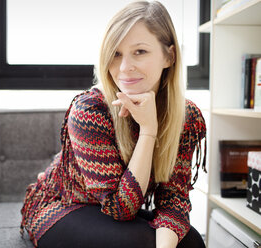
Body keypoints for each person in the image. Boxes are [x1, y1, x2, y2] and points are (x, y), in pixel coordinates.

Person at [20, 1, 207, 248]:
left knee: (190, 242)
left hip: (109, 215)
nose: (124, 68)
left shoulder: (185, 115)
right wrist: (148, 131)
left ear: (169, 56)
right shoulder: (90, 109)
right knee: (141, 242)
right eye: (115, 54)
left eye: (140, 51)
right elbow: (121, 207)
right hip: (61, 209)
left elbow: (174, 199)